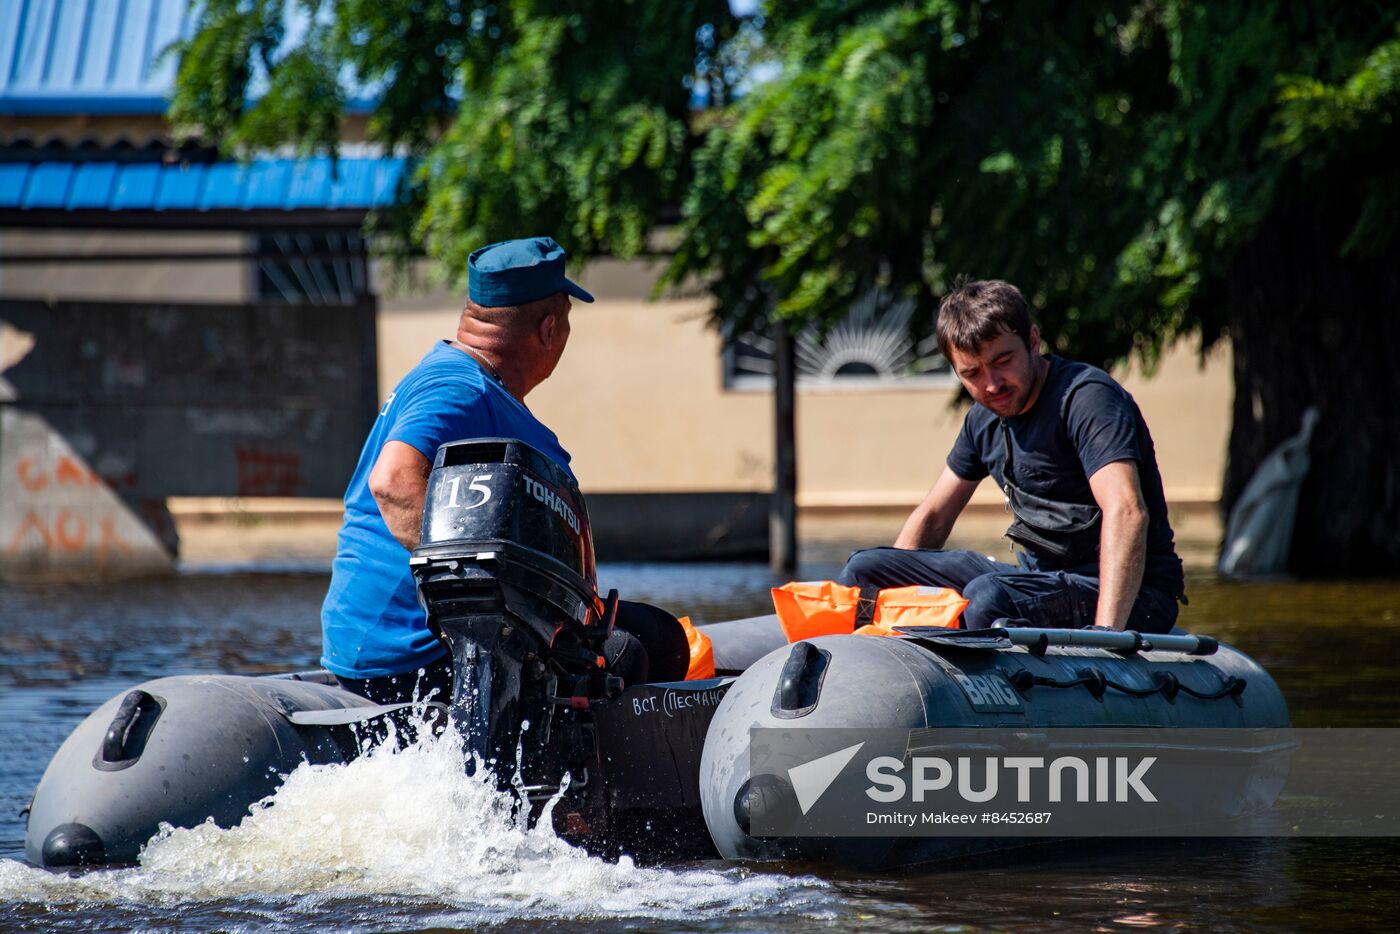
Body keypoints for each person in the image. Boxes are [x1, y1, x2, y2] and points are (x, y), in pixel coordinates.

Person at [320, 236, 688, 703]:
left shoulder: (458, 378)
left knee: (649, 633)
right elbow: (393, 483)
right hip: (411, 656)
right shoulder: (458, 388)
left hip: (374, 646)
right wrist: (486, 590)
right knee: (639, 651)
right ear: (550, 329)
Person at [837, 279, 1185, 634]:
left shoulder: (1087, 398)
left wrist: (1107, 638)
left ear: (1033, 341)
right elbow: (933, 515)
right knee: (865, 569)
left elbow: (1126, 509)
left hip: (1134, 595)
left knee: (986, 597)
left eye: (1002, 361)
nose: (991, 384)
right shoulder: (983, 419)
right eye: (972, 373)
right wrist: (895, 591)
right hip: (1040, 582)